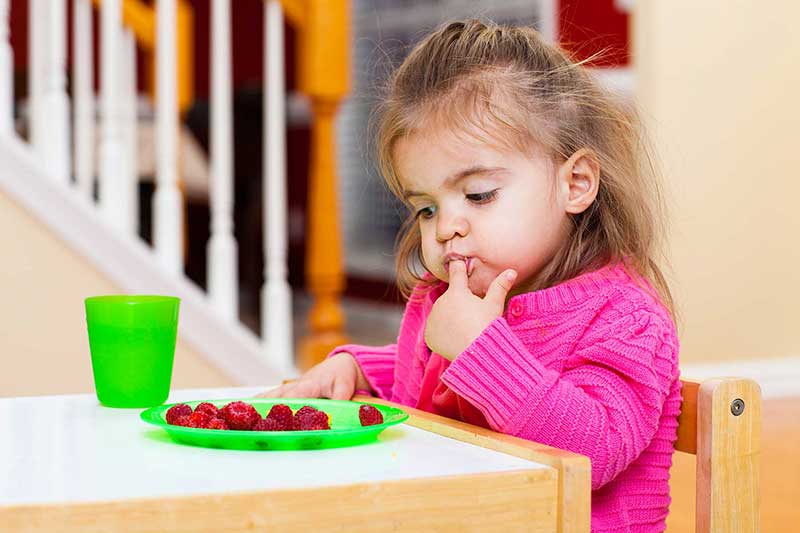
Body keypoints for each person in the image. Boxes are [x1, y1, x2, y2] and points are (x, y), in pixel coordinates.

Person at [261, 19, 680, 532]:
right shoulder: (451, 298)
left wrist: (481, 350)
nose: (446, 229)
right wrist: (363, 370)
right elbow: (429, 385)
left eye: (478, 194)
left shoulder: (627, 318)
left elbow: (596, 446)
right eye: (427, 209)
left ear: (575, 183)